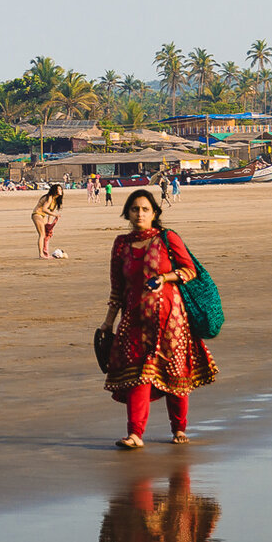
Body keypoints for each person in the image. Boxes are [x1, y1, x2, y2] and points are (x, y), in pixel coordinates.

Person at [98, 189, 217, 449]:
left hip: (171, 320)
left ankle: (179, 429)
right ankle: (135, 434)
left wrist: (165, 278)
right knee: (139, 376)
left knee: (175, 374)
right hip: (134, 320)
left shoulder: (167, 238)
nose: (139, 213)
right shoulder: (121, 244)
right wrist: (108, 322)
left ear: (154, 213)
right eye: (134, 209)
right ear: (127, 213)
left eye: (145, 209)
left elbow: (190, 270)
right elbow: (117, 288)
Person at [31, 184, 64, 259]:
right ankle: (41, 255)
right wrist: (55, 215)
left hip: (43, 216)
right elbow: (44, 209)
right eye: (59, 189)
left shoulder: (55, 200)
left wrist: (49, 225)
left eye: (61, 189)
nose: (61, 190)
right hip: (37, 214)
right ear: (55, 190)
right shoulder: (49, 197)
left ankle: (46, 253)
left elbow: (50, 214)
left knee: (47, 235)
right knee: (42, 234)